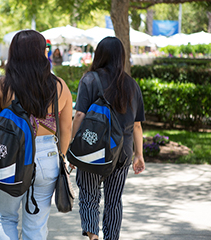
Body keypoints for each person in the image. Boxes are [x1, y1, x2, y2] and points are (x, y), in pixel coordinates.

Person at [0, 30, 73, 240]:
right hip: (47, 157)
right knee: (36, 224)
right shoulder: (60, 86)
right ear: (41, 53)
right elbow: (66, 129)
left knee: (5, 217)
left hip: (10, 155)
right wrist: (61, 157)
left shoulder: (2, 85)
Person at [71, 37, 145, 240]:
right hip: (122, 152)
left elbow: (79, 115)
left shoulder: (89, 79)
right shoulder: (132, 85)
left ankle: (93, 236)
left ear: (99, 55)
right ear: (121, 57)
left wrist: (72, 146)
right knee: (114, 201)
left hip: (91, 149)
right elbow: (137, 125)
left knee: (88, 195)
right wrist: (139, 154)